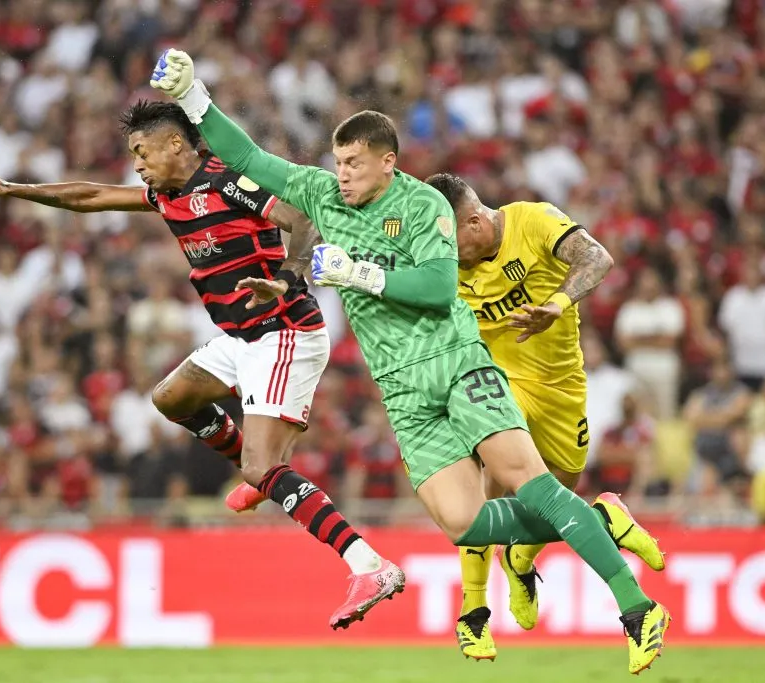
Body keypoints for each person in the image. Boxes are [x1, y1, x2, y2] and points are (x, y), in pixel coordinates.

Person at [150, 49, 669, 672]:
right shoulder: (320, 195)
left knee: (531, 483)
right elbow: (250, 160)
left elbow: (437, 290)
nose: (341, 174)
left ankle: (637, 608)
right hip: (400, 390)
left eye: (354, 164)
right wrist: (196, 99)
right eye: (338, 162)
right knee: (465, 525)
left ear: (387, 163)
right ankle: (601, 520)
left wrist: (357, 271)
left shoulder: (424, 206)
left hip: (455, 365)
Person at [0, 100, 399, 629]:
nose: (137, 165)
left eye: (141, 152)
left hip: (284, 331)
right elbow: (91, 195)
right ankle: (260, 477)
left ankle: (367, 564)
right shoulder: (165, 194)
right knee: (172, 398)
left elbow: (302, 221)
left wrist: (283, 278)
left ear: (174, 144)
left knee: (263, 464)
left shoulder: (228, 179)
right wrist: (13, 189)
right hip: (239, 337)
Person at [424, 173, 665, 660]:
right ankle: (474, 611)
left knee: (558, 497)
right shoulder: (444, 259)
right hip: (497, 383)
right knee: (485, 482)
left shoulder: (533, 221)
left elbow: (597, 257)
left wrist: (556, 304)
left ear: (474, 220)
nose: (448, 251)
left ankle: (526, 555)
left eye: (452, 238)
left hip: (561, 388)